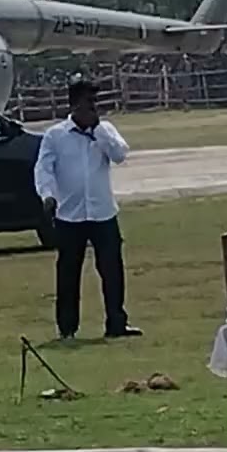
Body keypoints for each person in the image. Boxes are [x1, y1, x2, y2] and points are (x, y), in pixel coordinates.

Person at [34, 79, 141, 341]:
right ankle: (67, 329)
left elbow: (120, 155)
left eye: (95, 102)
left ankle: (117, 324)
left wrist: (99, 131)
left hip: (103, 213)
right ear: (73, 105)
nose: (93, 108)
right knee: (68, 273)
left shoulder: (105, 130)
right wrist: (48, 196)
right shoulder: (55, 135)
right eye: (87, 103)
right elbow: (43, 168)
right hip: (70, 215)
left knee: (112, 270)